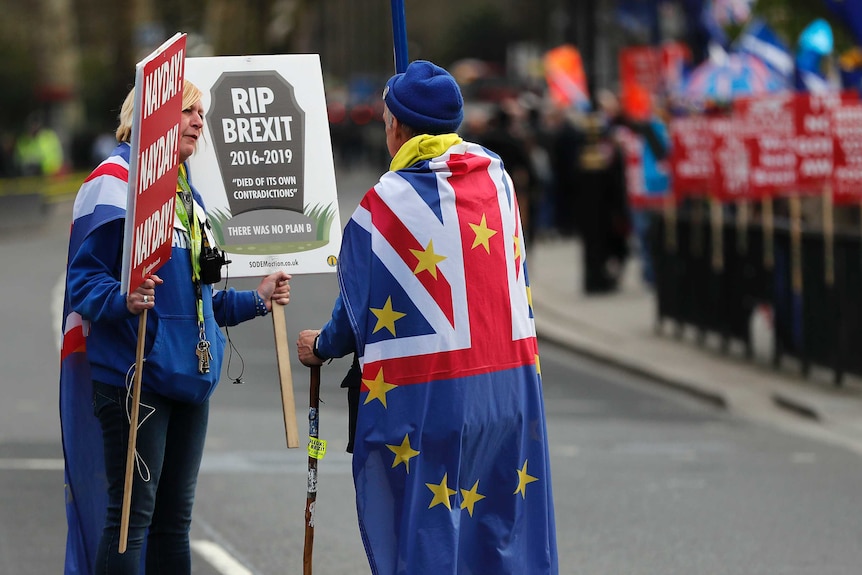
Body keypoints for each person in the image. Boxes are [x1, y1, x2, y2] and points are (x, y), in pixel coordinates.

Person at [296, 60, 558, 575]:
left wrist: (322, 346)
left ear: (396, 126)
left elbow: (356, 312)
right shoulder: (498, 180)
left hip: (432, 402)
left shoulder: (383, 205)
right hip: (508, 397)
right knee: (500, 534)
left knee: (429, 544)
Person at [59, 80, 291, 574]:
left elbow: (197, 301)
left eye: (201, 112)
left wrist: (258, 299)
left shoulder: (187, 191)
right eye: (187, 110)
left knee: (173, 524)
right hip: (133, 374)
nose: (199, 121)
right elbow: (82, 284)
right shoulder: (115, 180)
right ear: (151, 114)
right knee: (131, 521)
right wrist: (124, 298)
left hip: (190, 377)